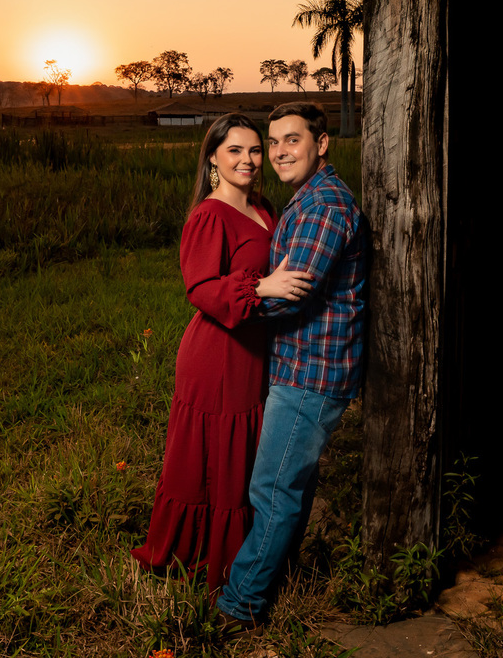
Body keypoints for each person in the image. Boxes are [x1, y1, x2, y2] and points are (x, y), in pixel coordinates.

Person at [131, 113, 314, 593]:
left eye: (255, 150)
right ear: (213, 157)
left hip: (255, 348)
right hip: (217, 354)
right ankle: (207, 557)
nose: (248, 160)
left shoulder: (263, 206)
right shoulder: (209, 215)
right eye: (235, 150)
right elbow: (200, 287)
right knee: (216, 459)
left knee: (246, 455)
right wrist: (262, 286)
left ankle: (246, 553)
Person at [217, 100, 367, 629]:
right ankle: (278, 580)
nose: (279, 152)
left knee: (273, 488)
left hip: (311, 372)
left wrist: (235, 298)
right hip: (301, 367)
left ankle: (241, 604)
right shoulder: (307, 199)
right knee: (290, 485)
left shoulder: (323, 206)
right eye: (273, 142)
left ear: (320, 144)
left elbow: (291, 295)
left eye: (292, 140)